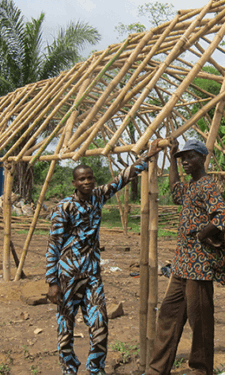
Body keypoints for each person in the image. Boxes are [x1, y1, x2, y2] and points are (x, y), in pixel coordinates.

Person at [46, 140, 161, 375]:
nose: (87, 182)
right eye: (82, 179)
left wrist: (146, 158)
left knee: (100, 323)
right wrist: (51, 282)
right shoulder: (64, 208)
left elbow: (122, 179)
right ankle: (69, 369)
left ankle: (96, 368)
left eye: (90, 178)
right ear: (74, 183)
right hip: (67, 275)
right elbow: (53, 245)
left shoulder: (98, 197)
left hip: (92, 275)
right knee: (65, 326)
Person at [146, 139, 225, 375]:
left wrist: (202, 234)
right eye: (183, 158)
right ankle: (157, 368)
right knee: (168, 315)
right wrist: (172, 158)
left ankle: (201, 369)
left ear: (202, 158)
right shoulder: (191, 186)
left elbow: (222, 215)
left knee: (200, 320)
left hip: (200, 265)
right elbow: (174, 189)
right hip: (182, 265)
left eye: (190, 157)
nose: (185, 161)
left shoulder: (206, 185)